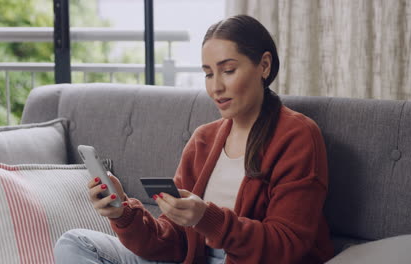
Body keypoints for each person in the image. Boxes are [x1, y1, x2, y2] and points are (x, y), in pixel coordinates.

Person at [54, 14, 334, 264]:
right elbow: (171, 241)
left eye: (228, 70)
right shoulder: (204, 139)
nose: (216, 87)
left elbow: (286, 245)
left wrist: (207, 219)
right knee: (75, 244)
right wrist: (122, 213)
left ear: (264, 65)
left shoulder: (297, 136)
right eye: (208, 74)